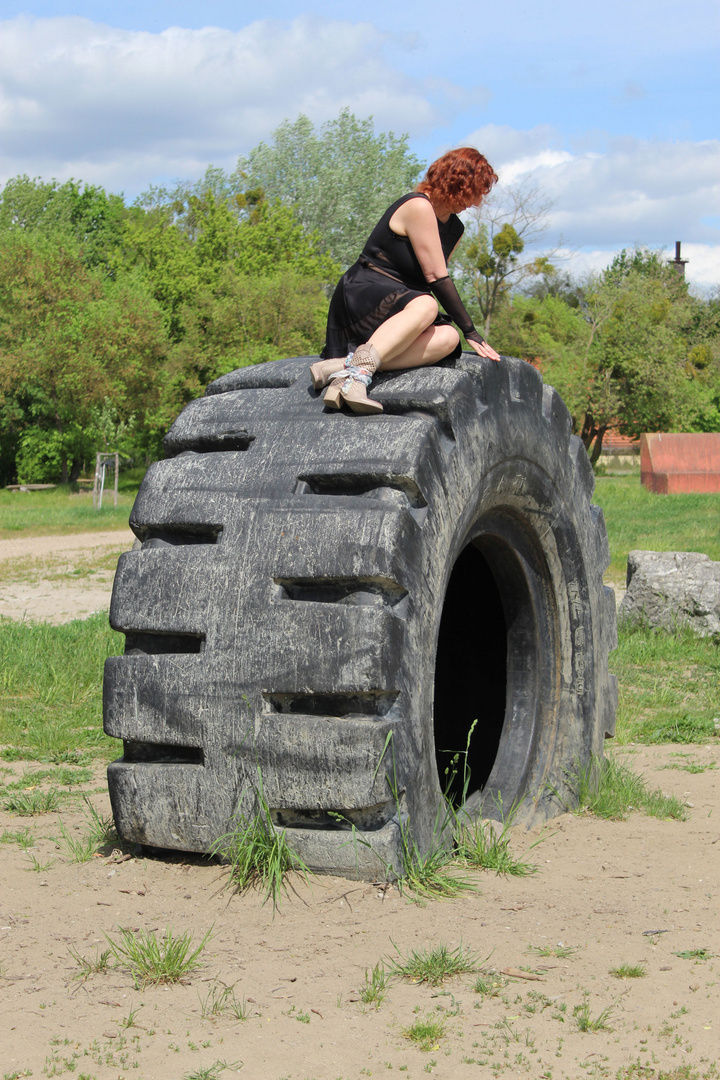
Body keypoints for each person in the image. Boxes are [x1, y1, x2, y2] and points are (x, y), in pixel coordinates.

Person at [309, 147, 502, 415]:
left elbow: (428, 277)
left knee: (448, 338)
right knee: (428, 306)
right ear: (456, 182)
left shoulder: (455, 228)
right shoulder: (418, 205)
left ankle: (344, 367)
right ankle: (358, 378)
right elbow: (436, 277)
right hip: (365, 292)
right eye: (474, 191)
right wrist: (472, 332)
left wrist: (461, 332)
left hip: (402, 304)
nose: (476, 202)